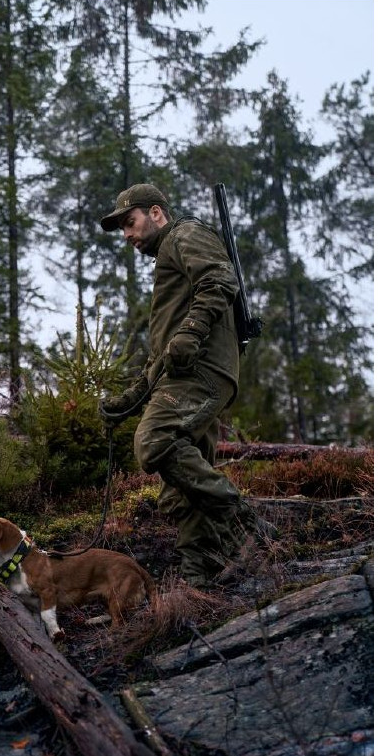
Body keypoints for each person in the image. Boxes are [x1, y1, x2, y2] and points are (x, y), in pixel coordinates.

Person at [98, 183, 268, 588]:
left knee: (154, 441)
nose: (127, 234)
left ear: (156, 213)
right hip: (188, 372)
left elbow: (220, 279)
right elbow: (165, 353)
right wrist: (132, 397)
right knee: (182, 487)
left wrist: (191, 333)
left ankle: (242, 520)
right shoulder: (168, 256)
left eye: (130, 222)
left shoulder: (185, 234)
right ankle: (199, 576)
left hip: (201, 370)